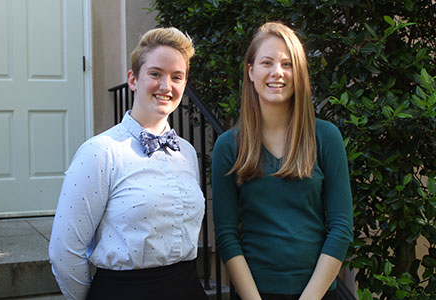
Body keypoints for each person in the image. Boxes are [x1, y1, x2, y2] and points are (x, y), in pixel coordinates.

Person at [49, 27, 209, 300]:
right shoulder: (100, 152)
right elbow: (65, 251)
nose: (165, 86)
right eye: (155, 74)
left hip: (188, 288)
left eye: (177, 77)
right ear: (133, 79)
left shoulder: (186, 152)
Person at [212, 22, 353, 300]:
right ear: (251, 71)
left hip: (318, 292)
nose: (277, 72)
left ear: (298, 73)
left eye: (288, 64)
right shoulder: (229, 146)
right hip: (256, 293)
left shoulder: (326, 137)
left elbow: (341, 228)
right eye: (267, 62)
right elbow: (227, 235)